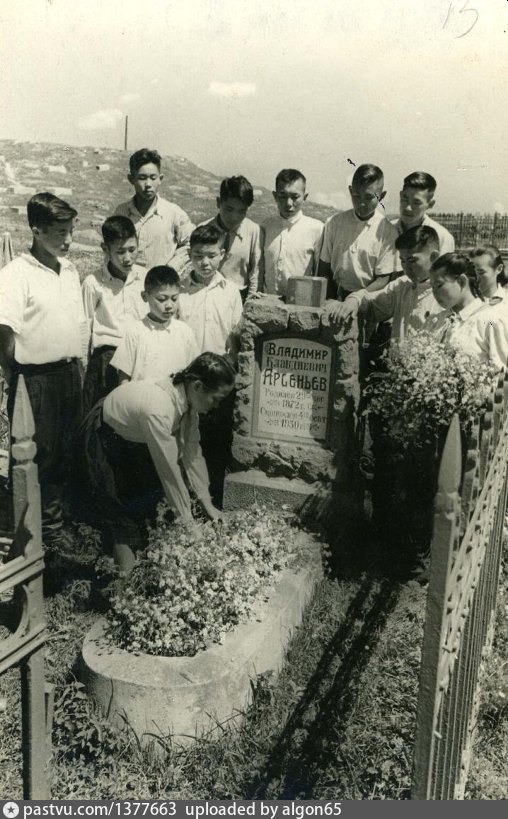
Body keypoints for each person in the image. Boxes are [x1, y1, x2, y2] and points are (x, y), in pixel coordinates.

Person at [79, 353, 235, 572]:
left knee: (150, 504)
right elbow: (169, 471)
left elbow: (192, 452)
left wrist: (206, 502)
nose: (217, 405)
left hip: (133, 438)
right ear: (198, 386)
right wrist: (189, 524)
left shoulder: (187, 399)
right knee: (123, 514)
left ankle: (142, 567)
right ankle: (124, 582)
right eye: (216, 399)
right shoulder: (159, 408)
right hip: (104, 437)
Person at [0, 192, 88, 550]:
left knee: (67, 451)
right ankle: (32, 533)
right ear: (36, 231)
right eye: (60, 232)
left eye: (71, 231)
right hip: (35, 380)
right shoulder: (15, 274)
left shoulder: (70, 270)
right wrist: (17, 375)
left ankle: (55, 526)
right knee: (38, 454)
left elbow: (77, 324)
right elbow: (5, 334)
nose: (68, 240)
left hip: (69, 374)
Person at [179, 224, 242, 508]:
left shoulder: (231, 292)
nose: (204, 262)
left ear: (222, 254)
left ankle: (214, 504)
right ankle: (185, 505)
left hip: (218, 385)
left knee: (216, 445)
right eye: (198, 255)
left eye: (211, 255)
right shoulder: (180, 292)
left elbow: (236, 339)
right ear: (189, 255)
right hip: (189, 383)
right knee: (186, 445)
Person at [327, 225, 442, 342]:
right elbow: (373, 304)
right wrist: (355, 300)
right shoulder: (401, 286)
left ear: (434, 257)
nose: (406, 267)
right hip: (398, 353)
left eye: (412, 260)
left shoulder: (446, 291)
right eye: (402, 261)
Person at [81, 215, 147, 412]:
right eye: (120, 252)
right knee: (101, 415)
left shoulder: (146, 278)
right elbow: (84, 327)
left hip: (139, 357)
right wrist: (83, 367)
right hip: (106, 362)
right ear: (105, 249)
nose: (127, 258)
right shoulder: (93, 283)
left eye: (132, 250)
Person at [318, 163, 398, 300]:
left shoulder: (388, 232)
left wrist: (356, 299)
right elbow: (324, 269)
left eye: (369, 198)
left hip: (369, 301)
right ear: (350, 190)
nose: (361, 203)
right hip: (335, 297)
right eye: (356, 196)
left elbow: (383, 279)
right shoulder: (334, 223)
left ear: (381, 196)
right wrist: (332, 300)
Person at [110, 265, 198, 383]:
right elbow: (124, 377)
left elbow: (193, 374)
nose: (169, 305)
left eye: (174, 299)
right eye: (162, 299)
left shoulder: (185, 332)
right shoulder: (135, 331)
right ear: (145, 296)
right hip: (141, 394)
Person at [114, 148, 194, 272]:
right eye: (142, 178)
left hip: (162, 281)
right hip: (129, 281)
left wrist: (171, 267)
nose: (148, 184)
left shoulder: (173, 213)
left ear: (160, 179)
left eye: (153, 178)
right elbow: (112, 247)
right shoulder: (121, 212)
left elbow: (192, 242)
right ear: (131, 179)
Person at [426, 253, 508, 369]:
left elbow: (503, 373)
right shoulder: (435, 321)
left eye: (438, 285)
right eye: (432, 287)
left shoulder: (492, 321)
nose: (434, 292)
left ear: (462, 281)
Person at [259, 168, 324, 298]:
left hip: (301, 302)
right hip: (267, 300)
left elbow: (320, 274)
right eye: (283, 196)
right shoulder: (266, 226)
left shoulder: (317, 229)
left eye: (295, 197)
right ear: (275, 196)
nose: (288, 203)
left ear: (305, 197)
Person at [201, 175, 261, 302]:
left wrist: (250, 301)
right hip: (209, 295)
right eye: (229, 209)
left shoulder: (253, 230)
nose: (234, 217)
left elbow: (255, 271)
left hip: (241, 297)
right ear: (218, 202)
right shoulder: (203, 229)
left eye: (241, 211)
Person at [393, 172, 455, 254]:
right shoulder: (385, 231)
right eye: (405, 199)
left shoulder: (442, 238)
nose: (408, 208)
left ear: (430, 204)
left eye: (416, 203)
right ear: (400, 195)